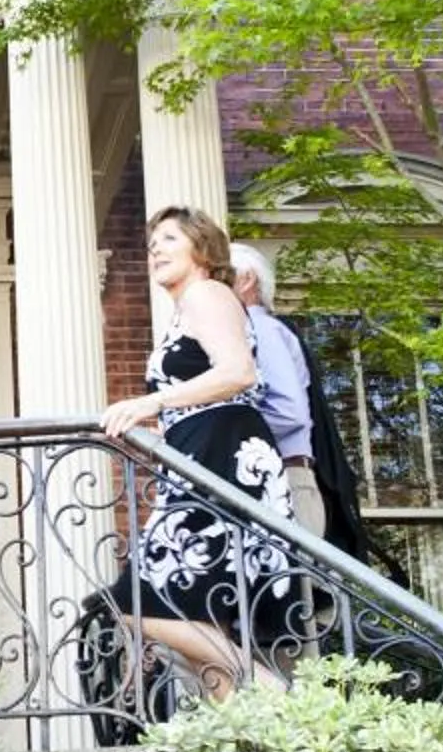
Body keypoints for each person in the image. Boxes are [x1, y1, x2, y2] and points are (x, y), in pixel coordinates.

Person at [99, 206, 306, 700]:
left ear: (203, 248)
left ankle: (270, 689)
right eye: (152, 243)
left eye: (169, 239)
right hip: (197, 455)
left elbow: (238, 372)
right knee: (200, 622)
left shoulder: (207, 293)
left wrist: (150, 402)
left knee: (138, 602)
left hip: (224, 456)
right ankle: (259, 747)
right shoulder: (189, 306)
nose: (156, 250)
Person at [227, 243, 328, 536]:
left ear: (246, 280)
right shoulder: (249, 330)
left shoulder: (260, 329)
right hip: (271, 478)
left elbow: (288, 413)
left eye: (221, 276)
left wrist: (220, 433)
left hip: (284, 481)